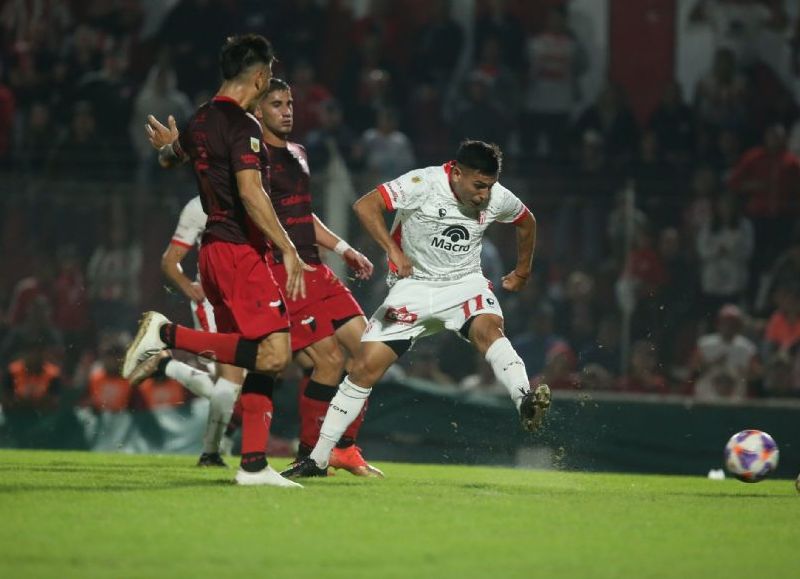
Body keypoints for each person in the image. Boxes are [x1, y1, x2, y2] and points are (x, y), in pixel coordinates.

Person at [144, 78, 382, 476]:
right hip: (285, 270)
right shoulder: (250, 157)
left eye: (289, 103)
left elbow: (303, 213)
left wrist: (342, 249)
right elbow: (215, 169)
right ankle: (312, 454)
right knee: (324, 361)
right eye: (276, 104)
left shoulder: (299, 153)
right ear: (257, 111)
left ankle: (341, 446)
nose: (287, 110)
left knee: (369, 351)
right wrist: (174, 149)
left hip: (318, 269)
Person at [281, 140, 552, 478]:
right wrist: (391, 251)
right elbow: (366, 206)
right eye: (478, 185)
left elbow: (527, 221)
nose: (484, 195)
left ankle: (524, 397)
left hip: (464, 284)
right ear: (455, 173)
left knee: (488, 330)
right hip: (413, 288)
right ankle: (317, 458)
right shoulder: (422, 184)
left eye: (489, 186)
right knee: (364, 367)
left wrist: (523, 270)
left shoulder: (496, 197)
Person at [122, 34, 309, 488]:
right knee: (275, 351)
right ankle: (165, 335)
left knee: (263, 359)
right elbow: (250, 192)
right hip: (238, 249)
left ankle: (253, 465)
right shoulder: (242, 125)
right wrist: (287, 247)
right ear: (261, 76)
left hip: (214, 253)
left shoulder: (202, 117)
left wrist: (168, 146)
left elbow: (174, 159)